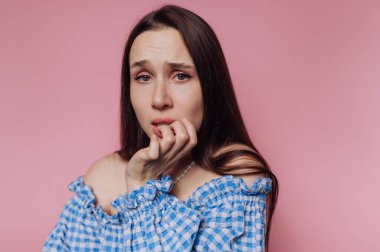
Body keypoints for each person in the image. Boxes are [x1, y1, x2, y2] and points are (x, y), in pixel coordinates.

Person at [42, 4, 278, 252]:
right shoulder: (101, 177)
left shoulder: (237, 178)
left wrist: (141, 188)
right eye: (143, 77)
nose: (158, 99)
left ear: (210, 86)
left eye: (180, 75)